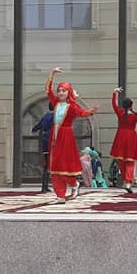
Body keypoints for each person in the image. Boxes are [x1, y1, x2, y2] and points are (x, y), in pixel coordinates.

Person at [46, 67, 98, 203]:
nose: (60, 93)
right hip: (55, 137)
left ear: (68, 92)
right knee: (55, 166)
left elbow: (82, 113)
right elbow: (48, 90)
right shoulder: (56, 103)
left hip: (66, 136)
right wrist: (52, 74)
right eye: (59, 90)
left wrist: (91, 111)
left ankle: (74, 184)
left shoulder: (72, 106)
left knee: (64, 165)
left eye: (63, 90)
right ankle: (60, 195)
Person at [32, 110, 54, 193]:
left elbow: (38, 126)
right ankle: (47, 186)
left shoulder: (45, 116)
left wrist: (34, 129)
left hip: (45, 142)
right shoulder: (55, 116)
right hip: (52, 141)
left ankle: (45, 186)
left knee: (47, 166)